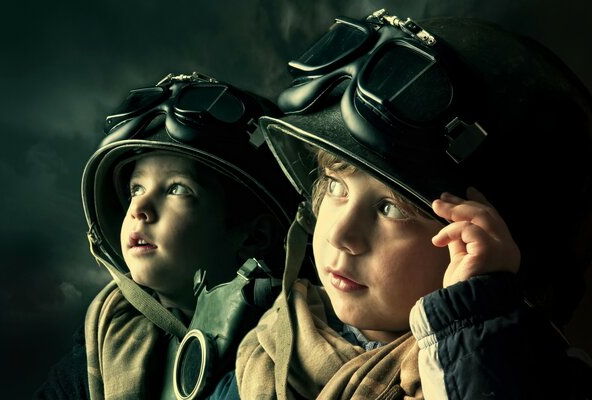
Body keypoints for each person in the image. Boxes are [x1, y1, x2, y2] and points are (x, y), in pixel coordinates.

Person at [208, 9, 592, 399]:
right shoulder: (265, 353)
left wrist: (476, 318)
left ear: (484, 244)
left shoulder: (528, 373)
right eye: (337, 185)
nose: (341, 234)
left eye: (390, 209)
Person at [34, 72, 300, 399]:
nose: (139, 208)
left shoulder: (297, 346)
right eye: (136, 188)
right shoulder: (105, 340)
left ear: (255, 236)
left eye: (176, 188)